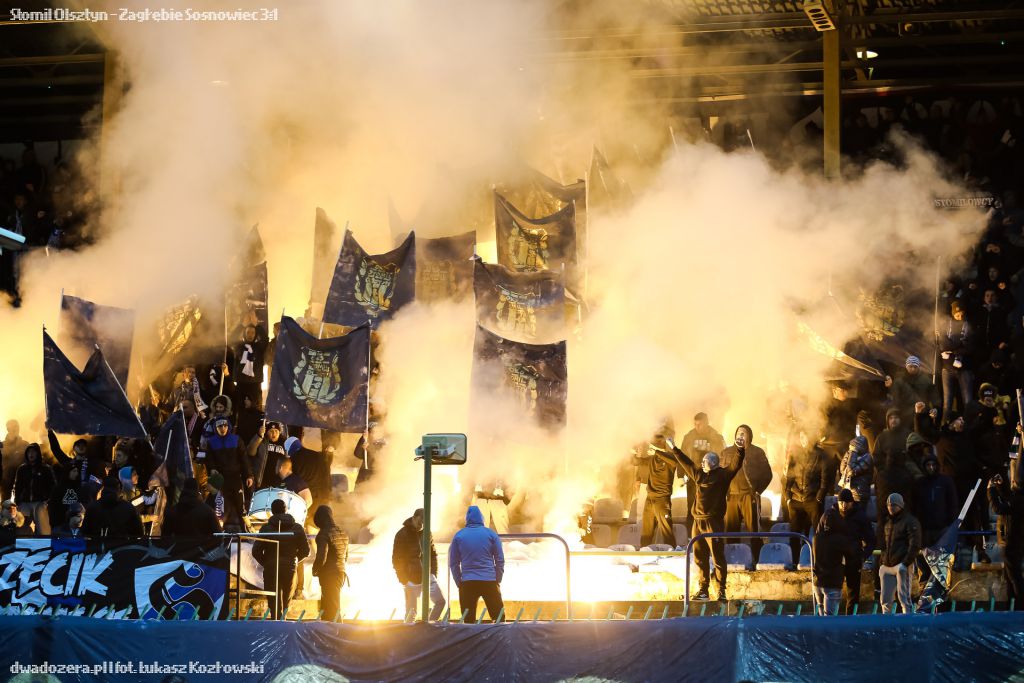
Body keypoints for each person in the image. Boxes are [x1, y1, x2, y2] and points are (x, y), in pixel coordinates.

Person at [665, 439, 746, 602]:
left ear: (714, 463)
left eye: (705, 460)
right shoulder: (699, 474)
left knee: (717, 556)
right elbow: (686, 463)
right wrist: (674, 448)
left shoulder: (723, 476)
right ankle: (703, 590)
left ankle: (721, 590)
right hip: (697, 522)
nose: (702, 463)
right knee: (699, 557)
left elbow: (735, 465)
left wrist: (740, 449)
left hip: (713, 523)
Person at [720, 425, 772, 564]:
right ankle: (732, 561)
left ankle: (757, 560)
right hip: (731, 497)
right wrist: (722, 492)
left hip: (750, 496)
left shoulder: (757, 452)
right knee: (731, 531)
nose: (741, 435)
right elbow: (721, 473)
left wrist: (758, 491)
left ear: (749, 436)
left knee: (753, 531)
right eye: (738, 432)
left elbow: (768, 474)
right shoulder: (726, 452)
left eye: (744, 433)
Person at [253, 498, 310, 620]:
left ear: (272, 511)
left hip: (271, 567)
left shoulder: (265, 528)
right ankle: (284, 623)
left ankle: (275, 623)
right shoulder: (297, 528)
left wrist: (267, 562)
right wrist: (294, 560)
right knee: (286, 600)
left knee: (273, 600)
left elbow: (255, 551)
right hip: (289, 567)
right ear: (286, 510)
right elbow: (306, 551)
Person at [449, 505, 505, 623]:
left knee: (468, 621)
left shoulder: (459, 536)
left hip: (468, 582)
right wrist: (497, 579)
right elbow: (499, 559)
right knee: (499, 619)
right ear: (481, 518)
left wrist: (459, 582)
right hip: (489, 581)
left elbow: (454, 563)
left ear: (467, 519)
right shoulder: (491, 534)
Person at [911, 449, 959, 583]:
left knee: (942, 563)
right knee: (923, 561)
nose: (931, 467)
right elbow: (914, 505)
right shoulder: (919, 483)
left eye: (933, 464)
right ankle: (924, 586)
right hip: (924, 529)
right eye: (928, 465)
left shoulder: (946, 481)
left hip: (942, 528)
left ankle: (941, 589)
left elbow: (953, 503)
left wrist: (950, 524)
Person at [784, 428, 828, 563]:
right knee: (794, 533)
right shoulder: (795, 454)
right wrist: (788, 497)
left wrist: (819, 498)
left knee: (818, 533)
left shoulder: (821, 455)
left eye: (805, 437)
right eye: (801, 437)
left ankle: (819, 562)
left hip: (813, 499)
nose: (803, 440)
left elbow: (825, 479)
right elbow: (789, 478)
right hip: (796, 499)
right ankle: (795, 561)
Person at [393, 508, 445, 621]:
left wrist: (433, 573)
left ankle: (429, 627)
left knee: (440, 602)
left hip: (428, 576)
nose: (421, 525)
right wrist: (404, 580)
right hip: (412, 579)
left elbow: (433, 554)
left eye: (423, 523)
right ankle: (410, 632)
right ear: (414, 517)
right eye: (420, 522)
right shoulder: (402, 534)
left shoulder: (427, 533)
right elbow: (397, 559)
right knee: (411, 613)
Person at [679, 413, 726, 534]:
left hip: (711, 478)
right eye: (695, 424)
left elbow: (722, 456)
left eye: (699, 424)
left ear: (706, 423)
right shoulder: (689, 437)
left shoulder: (716, 437)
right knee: (692, 506)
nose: (697, 427)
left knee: (711, 507)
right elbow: (682, 456)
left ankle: (712, 534)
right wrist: (681, 475)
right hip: (693, 476)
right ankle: (691, 536)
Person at [636, 420, 679, 547]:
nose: (654, 444)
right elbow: (638, 462)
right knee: (646, 532)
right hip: (650, 498)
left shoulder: (671, 457)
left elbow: (675, 462)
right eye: (654, 442)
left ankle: (672, 554)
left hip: (662, 499)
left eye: (658, 442)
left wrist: (656, 451)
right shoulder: (652, 458)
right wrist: (635, 455)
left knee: (666, 531)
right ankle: (644, 553)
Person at [878, 492, 921, 614]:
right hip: (888, 564)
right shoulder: (888, 521)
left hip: (901, 564)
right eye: (889, 505)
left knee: (904, 598)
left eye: (893, 505)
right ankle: (887, 622)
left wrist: (905, 563)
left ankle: (907, 621)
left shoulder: (910, 521)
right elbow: (883, 543)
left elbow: (915, 543)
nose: (890, 507)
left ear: (900, 506)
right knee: (885, 599)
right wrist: (883, 560)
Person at [206, 417, 253, 529]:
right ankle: (219, 532)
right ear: (215, 428)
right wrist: (212, 468)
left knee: (241, 507)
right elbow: (209, 459)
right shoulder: (211, 442)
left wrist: (249, 475)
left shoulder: (236, 439)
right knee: (220, 508)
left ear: (228, 426)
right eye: (220, 426)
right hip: (221, 480)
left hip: (236, 477)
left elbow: (244, 459)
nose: (223, 428)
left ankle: (246, 530)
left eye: (225, 426)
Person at [835, 488, 875, 614]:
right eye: (841, 502)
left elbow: (871, 540)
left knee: (853, 593)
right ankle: (831, 619)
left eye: (847, 502)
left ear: (852, 502)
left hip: (853, 560)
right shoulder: (832, 514)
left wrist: (862, 557)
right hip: (836, 560)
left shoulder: (860, 517)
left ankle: (851, 619)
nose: (844, 505)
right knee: (833, 591)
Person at [989, 470, 1024, 609]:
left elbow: (998, 508)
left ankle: (1020, 607)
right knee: (1010, 578)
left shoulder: (1018, 500)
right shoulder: (1017, 498)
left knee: (1014, 578)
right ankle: (1012, 606)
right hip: (1016, 542)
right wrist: (1000, 486)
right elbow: (1009, 501)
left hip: (1013, 543)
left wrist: (991, 490)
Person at [813, 507, 857, 615]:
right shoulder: (840, 540)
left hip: (818, 581)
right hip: (832, 582)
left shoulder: (816, 538)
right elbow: (851, 553)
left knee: (820, 615)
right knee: (830, 618)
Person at [312, 504, 348, 622]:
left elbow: (321, 556)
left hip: (329, 575)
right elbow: (346, 556)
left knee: (331, 608)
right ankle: (335, 630)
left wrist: (315, 570)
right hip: (341, 573)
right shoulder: (342, 532)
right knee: (333, 606)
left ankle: (338, 631)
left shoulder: (323, 534)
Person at [940, 300, 975, 417]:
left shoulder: (968, 326)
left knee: (967, 400)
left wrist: (953, 351)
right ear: (953, 313)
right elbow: (943, 345)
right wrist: (959, 346)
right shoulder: (946, 325)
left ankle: (968, 423)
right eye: (957, 314)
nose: (959, 316)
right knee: (947, 402)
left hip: (964, 368)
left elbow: (970, 348)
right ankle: (945, 424)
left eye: (961, 313)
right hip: (947, 367)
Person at [14, 443, 54, 536]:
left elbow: (53, 486)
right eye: (29, 452)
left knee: (44, 531)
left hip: (40, 503)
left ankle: (44, 544)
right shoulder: (22, 469)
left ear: (38, 453)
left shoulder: (46, 469)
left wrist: (47, 501)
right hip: (24, 503)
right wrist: (18, 501)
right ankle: (22, 543)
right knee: (21, 529)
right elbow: (17, 486)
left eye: (33, 452)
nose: (31, 454)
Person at [248, 421, 288, 489]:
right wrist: (259, 436)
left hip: (278, 483)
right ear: (266, 432)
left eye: (276, 431)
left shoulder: (284, 444)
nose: (274, 433)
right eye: (271, 431)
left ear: (279, 432)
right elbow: (250, 452)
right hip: (261, 482)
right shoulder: (261, 441)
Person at [837, 436, 873, 509]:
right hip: (848, 492)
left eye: (853, 446)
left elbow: (851, 471)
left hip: (859, 495)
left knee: (859, 515)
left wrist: (853, 453)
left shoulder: (868, 457)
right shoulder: (849, 453)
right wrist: (851, 453)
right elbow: (842, 470)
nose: (851, 448)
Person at [2, 420, 29, 499]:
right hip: (6, 481)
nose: (15, 429)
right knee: (6, 503)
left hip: (23, 481)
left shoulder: (25, 445)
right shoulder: (2, 445)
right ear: (8, 429)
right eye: (13, 427)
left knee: (23, 503)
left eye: (17, 427)